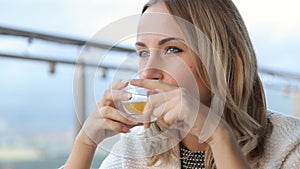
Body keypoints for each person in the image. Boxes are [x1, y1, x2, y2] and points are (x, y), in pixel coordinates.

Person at [62, 0, 300, 168]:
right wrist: (85, 142)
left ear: (223, 58)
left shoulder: (290, 145)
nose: (147, 71)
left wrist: (219, 136)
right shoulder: (138, 147)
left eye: (172, 49)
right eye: (143, 53)